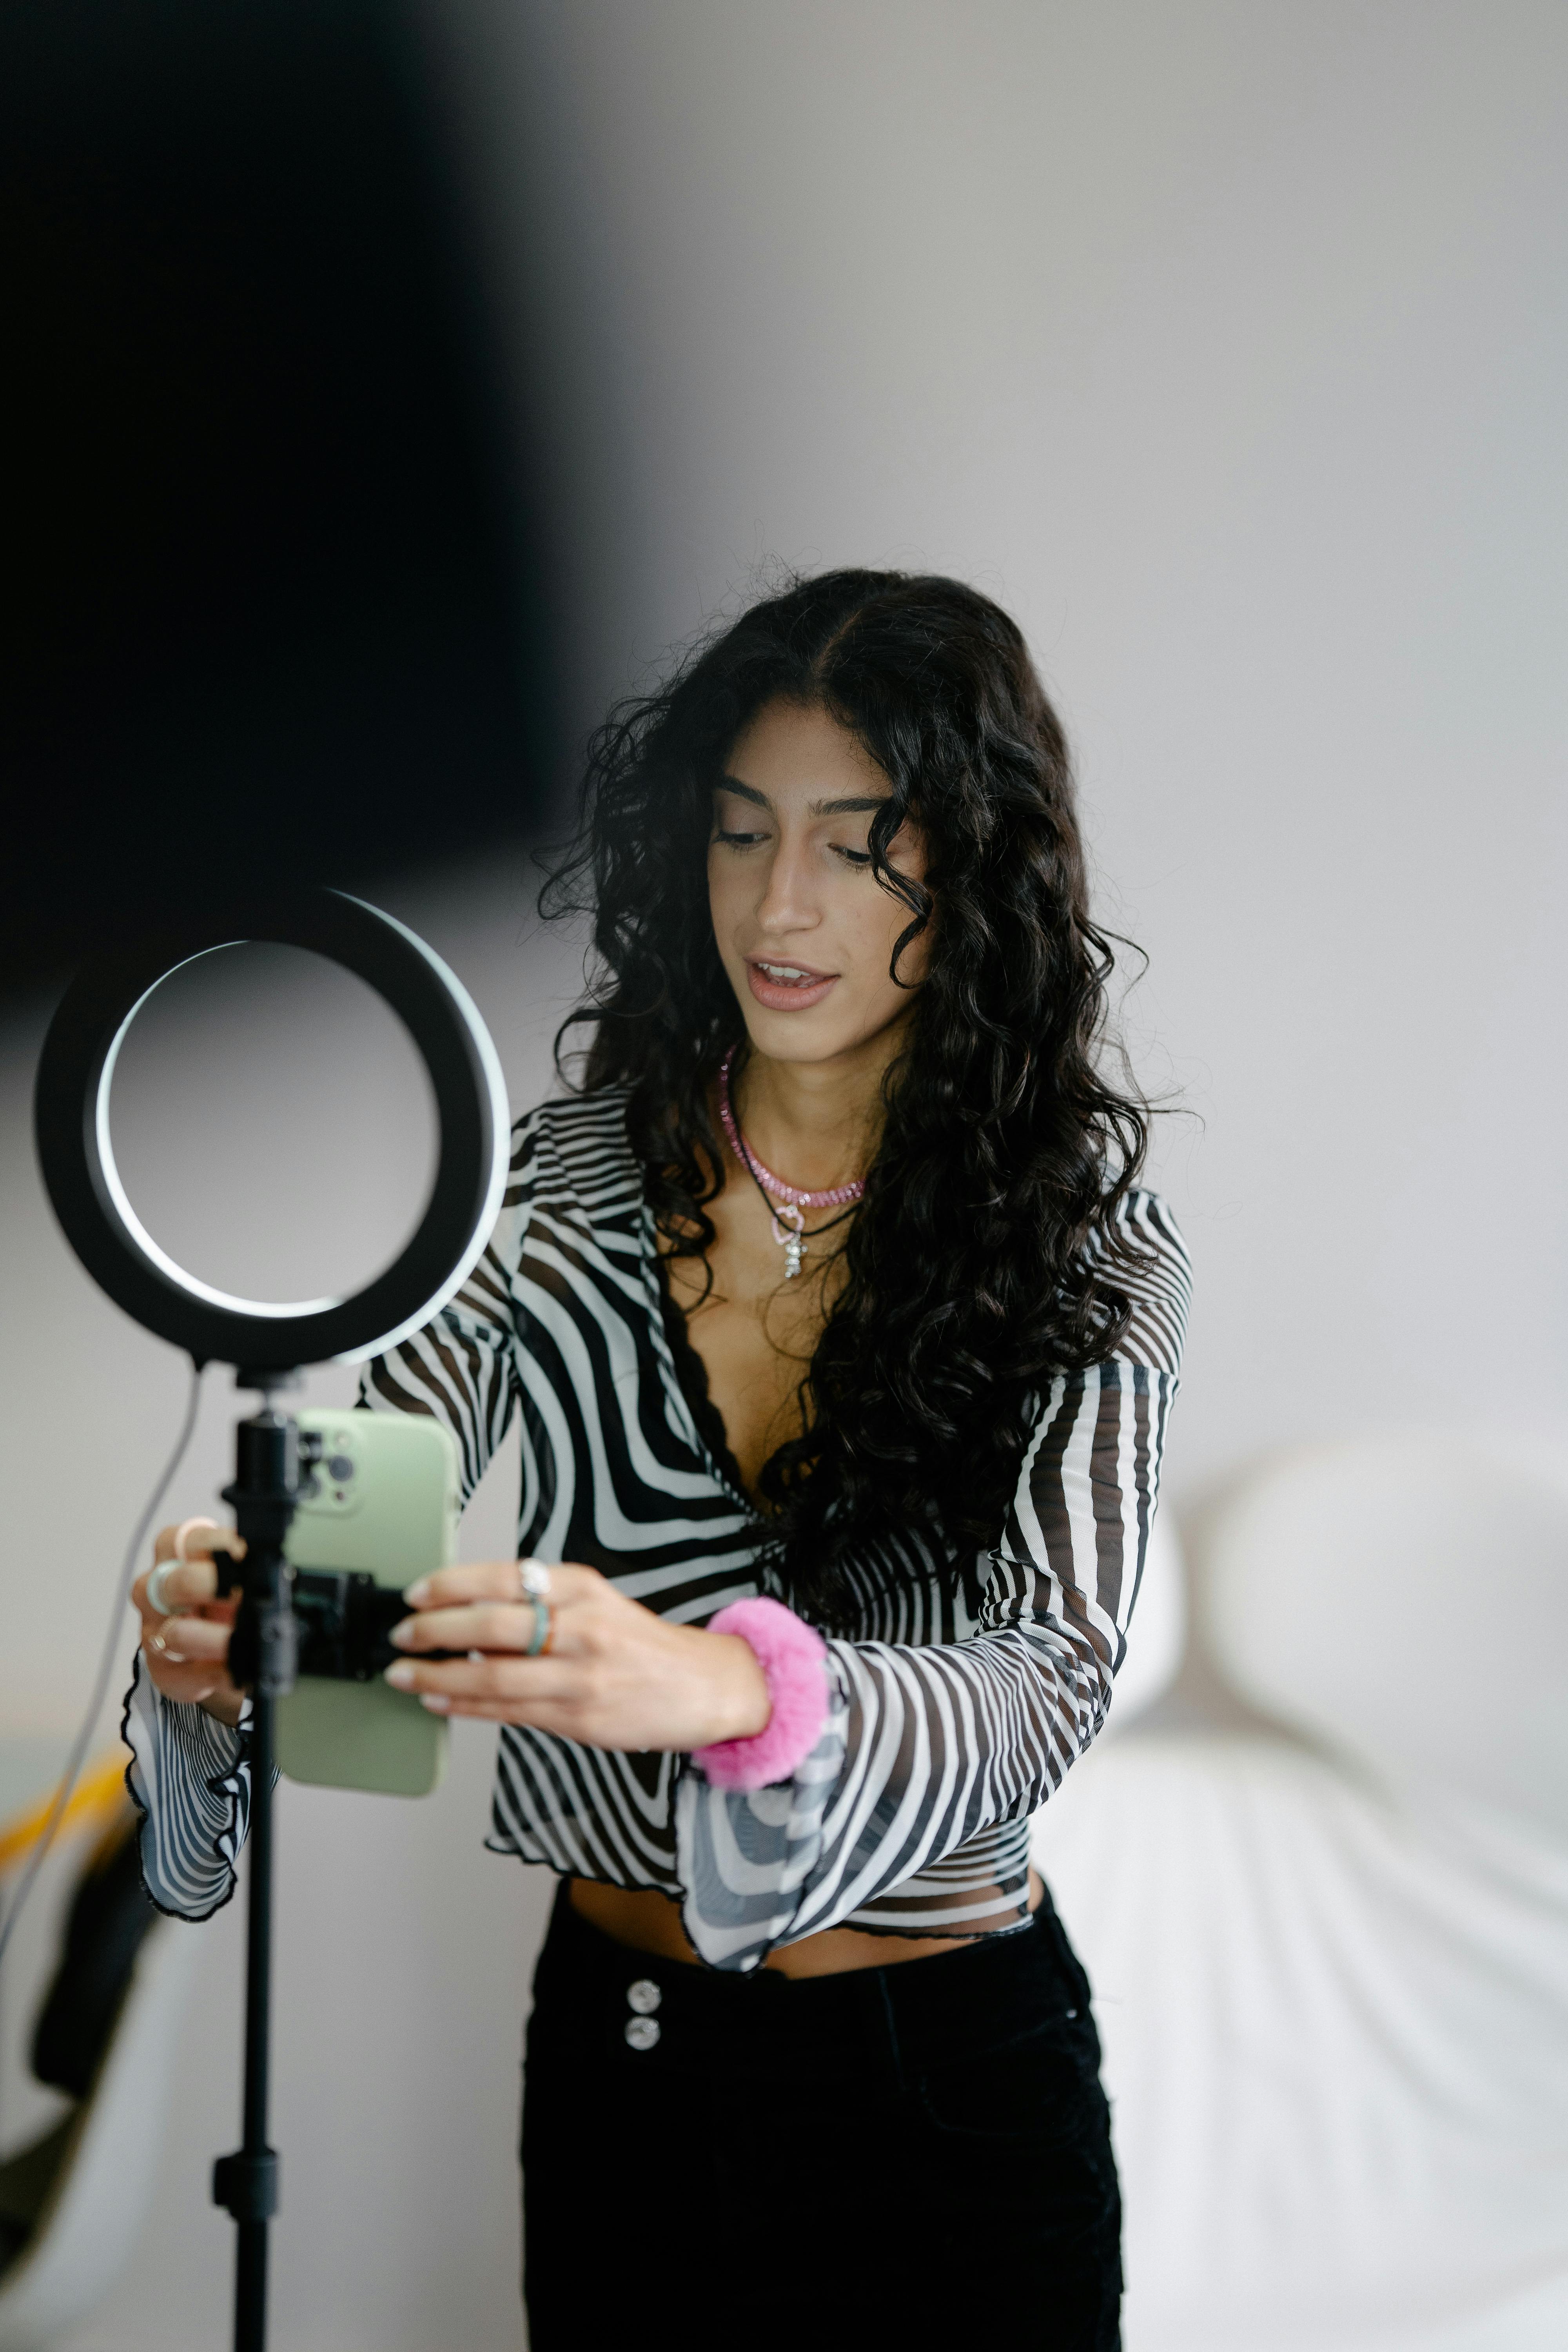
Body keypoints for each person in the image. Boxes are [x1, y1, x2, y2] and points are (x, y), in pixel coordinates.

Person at [127, 570, 1189, 2350]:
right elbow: (362, 1527)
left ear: (978, 870)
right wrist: (245, 1623)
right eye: (739, 833)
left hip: (952, 2081)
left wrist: (719, 1683)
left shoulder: (1084, 1258)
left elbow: (1045, 1684)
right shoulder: (556, 1190)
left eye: (861, 845)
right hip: (628, 2066)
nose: (780, 905)